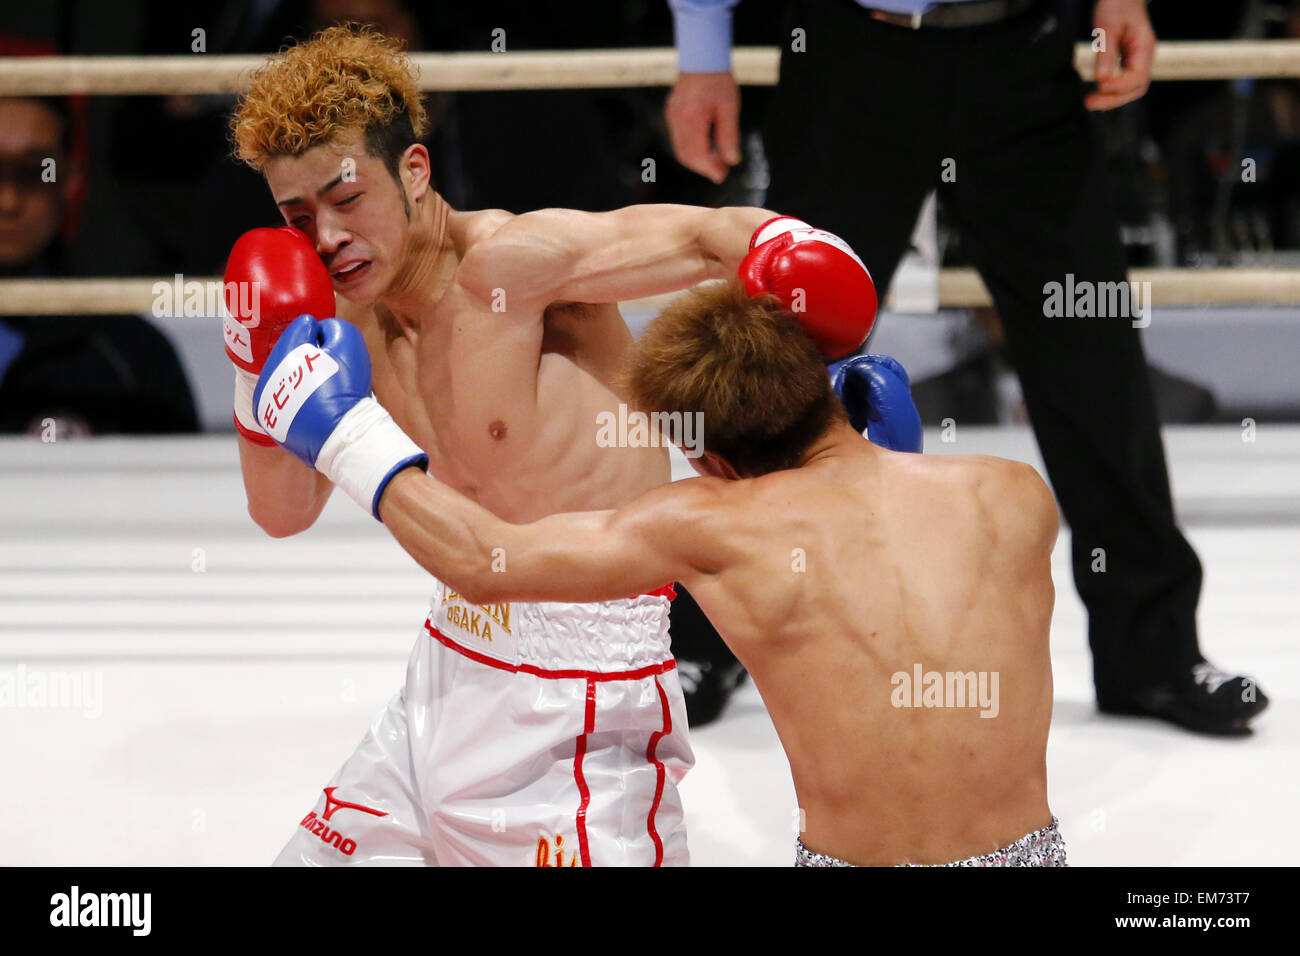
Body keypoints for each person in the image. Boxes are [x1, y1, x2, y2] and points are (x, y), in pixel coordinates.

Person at [224, 25, 875, 865]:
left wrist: (790, 250)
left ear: (414, 173)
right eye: (297, 215)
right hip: (444, 667)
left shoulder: (513, 266)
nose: (327, 236)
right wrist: (254, 365)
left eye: (347, 200)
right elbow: (280, 514)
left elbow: (701, 237)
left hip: (586, 685)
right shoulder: (340, 317)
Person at [252, 276, 1062, 867]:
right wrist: (881, 454)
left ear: (709, 458)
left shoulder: (710, 525)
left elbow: (480, 561)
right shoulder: (1014, 497)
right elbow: (886, 555)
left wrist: (347, 435)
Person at [664, 0, 1269, 734]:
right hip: (851, 50)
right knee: (780, 354)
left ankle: (1155, 657)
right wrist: (701, 51)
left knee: (1093, 347)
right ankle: (714, 635)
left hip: (1022, 47)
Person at [0, 94, 198, 436]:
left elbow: (181, 486)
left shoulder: (131, 354)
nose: (9, 200)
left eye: (36, 170)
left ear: (72, 179)